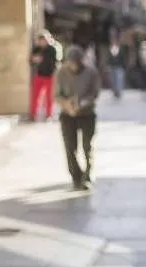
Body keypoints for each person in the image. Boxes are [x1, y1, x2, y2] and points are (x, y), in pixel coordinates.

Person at [54, 45, 101, 190]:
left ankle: (88, 174)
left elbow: (94, 94)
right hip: (67, 114)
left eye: (76, 62)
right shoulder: (61, 73)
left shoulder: (91, 73)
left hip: (87, 114)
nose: (73, 65)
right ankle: (76, 176)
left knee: (87, 146)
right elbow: (57, 95)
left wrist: (81, 104)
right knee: (70, 147)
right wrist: (67, 105)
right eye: (71, 62)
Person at [30, 32, 59, 121]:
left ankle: (48, 115)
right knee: (35, 96)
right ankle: (33, 114)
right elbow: (30, 61)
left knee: (49, 97)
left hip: (49, 76)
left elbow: (55, 62)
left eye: (43, 40)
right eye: (40, 40)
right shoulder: (36, 49)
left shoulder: (52, 49)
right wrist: (34, 60)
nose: (42, 42)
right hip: (39, 75)